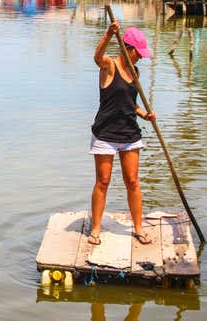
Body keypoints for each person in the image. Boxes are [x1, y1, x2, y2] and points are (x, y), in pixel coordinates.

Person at [88, 21, 155, 246]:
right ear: (128, 49)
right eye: (139, 53)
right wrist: (108, 34)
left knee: (133, 181)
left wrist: (145, 115)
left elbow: (130, 103)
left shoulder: (135, 72)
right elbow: (97, 58)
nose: (141, 58)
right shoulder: (110, 65)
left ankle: (138, 228)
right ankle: (96, 229)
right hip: (105, 133)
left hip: (129, 133)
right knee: (103, 181)